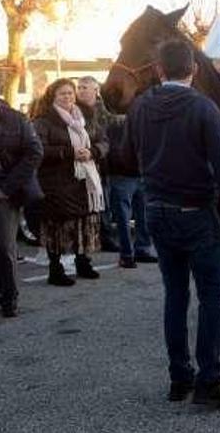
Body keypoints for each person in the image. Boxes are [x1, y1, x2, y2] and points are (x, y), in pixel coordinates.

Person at [123, 39, 220, 408]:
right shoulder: (203, 107)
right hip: (196, 211)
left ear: (159, 70)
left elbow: (127, 159)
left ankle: (180, 378)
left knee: (175, 295)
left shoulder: (140, 107)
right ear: (193, 68)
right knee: (211, 297)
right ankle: (209, 380)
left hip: (157, 210)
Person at [32, 79, 107, 286]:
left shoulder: (86, 117)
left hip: (85, 182)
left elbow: (103, 141)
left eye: (70, 93)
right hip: (56, 183)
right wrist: (68, 152)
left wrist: (92, 152)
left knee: (83, 223)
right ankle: (55, 269)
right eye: (62, 94)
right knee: (58, 226)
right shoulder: (43, 121)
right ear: (53, 97)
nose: (68, 97)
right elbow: (39, 149)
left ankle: (83, 262)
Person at [0, 96, 43, 317]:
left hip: (4, 192)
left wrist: (6, 188)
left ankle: (8, 297)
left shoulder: (16, 119)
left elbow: (35, 153)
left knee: (4, 246)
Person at [105, 113, 157, 268]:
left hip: (138, 174)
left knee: (142, 215)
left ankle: (142, 249)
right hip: (123, 175)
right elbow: (113, 149)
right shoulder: (117, 124)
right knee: (123, 218)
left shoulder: (144, 121)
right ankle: (127, 254)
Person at [76, 75, 121, 252]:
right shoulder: (75, 111)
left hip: (101, 163)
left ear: (96, 90)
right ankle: (93, 239)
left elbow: (113, 120)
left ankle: (105, 236)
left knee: (104, 203)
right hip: (83, 163)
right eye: (79, 87)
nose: (81, 91)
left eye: (85, 87)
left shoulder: (101, 108)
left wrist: (132, 118)